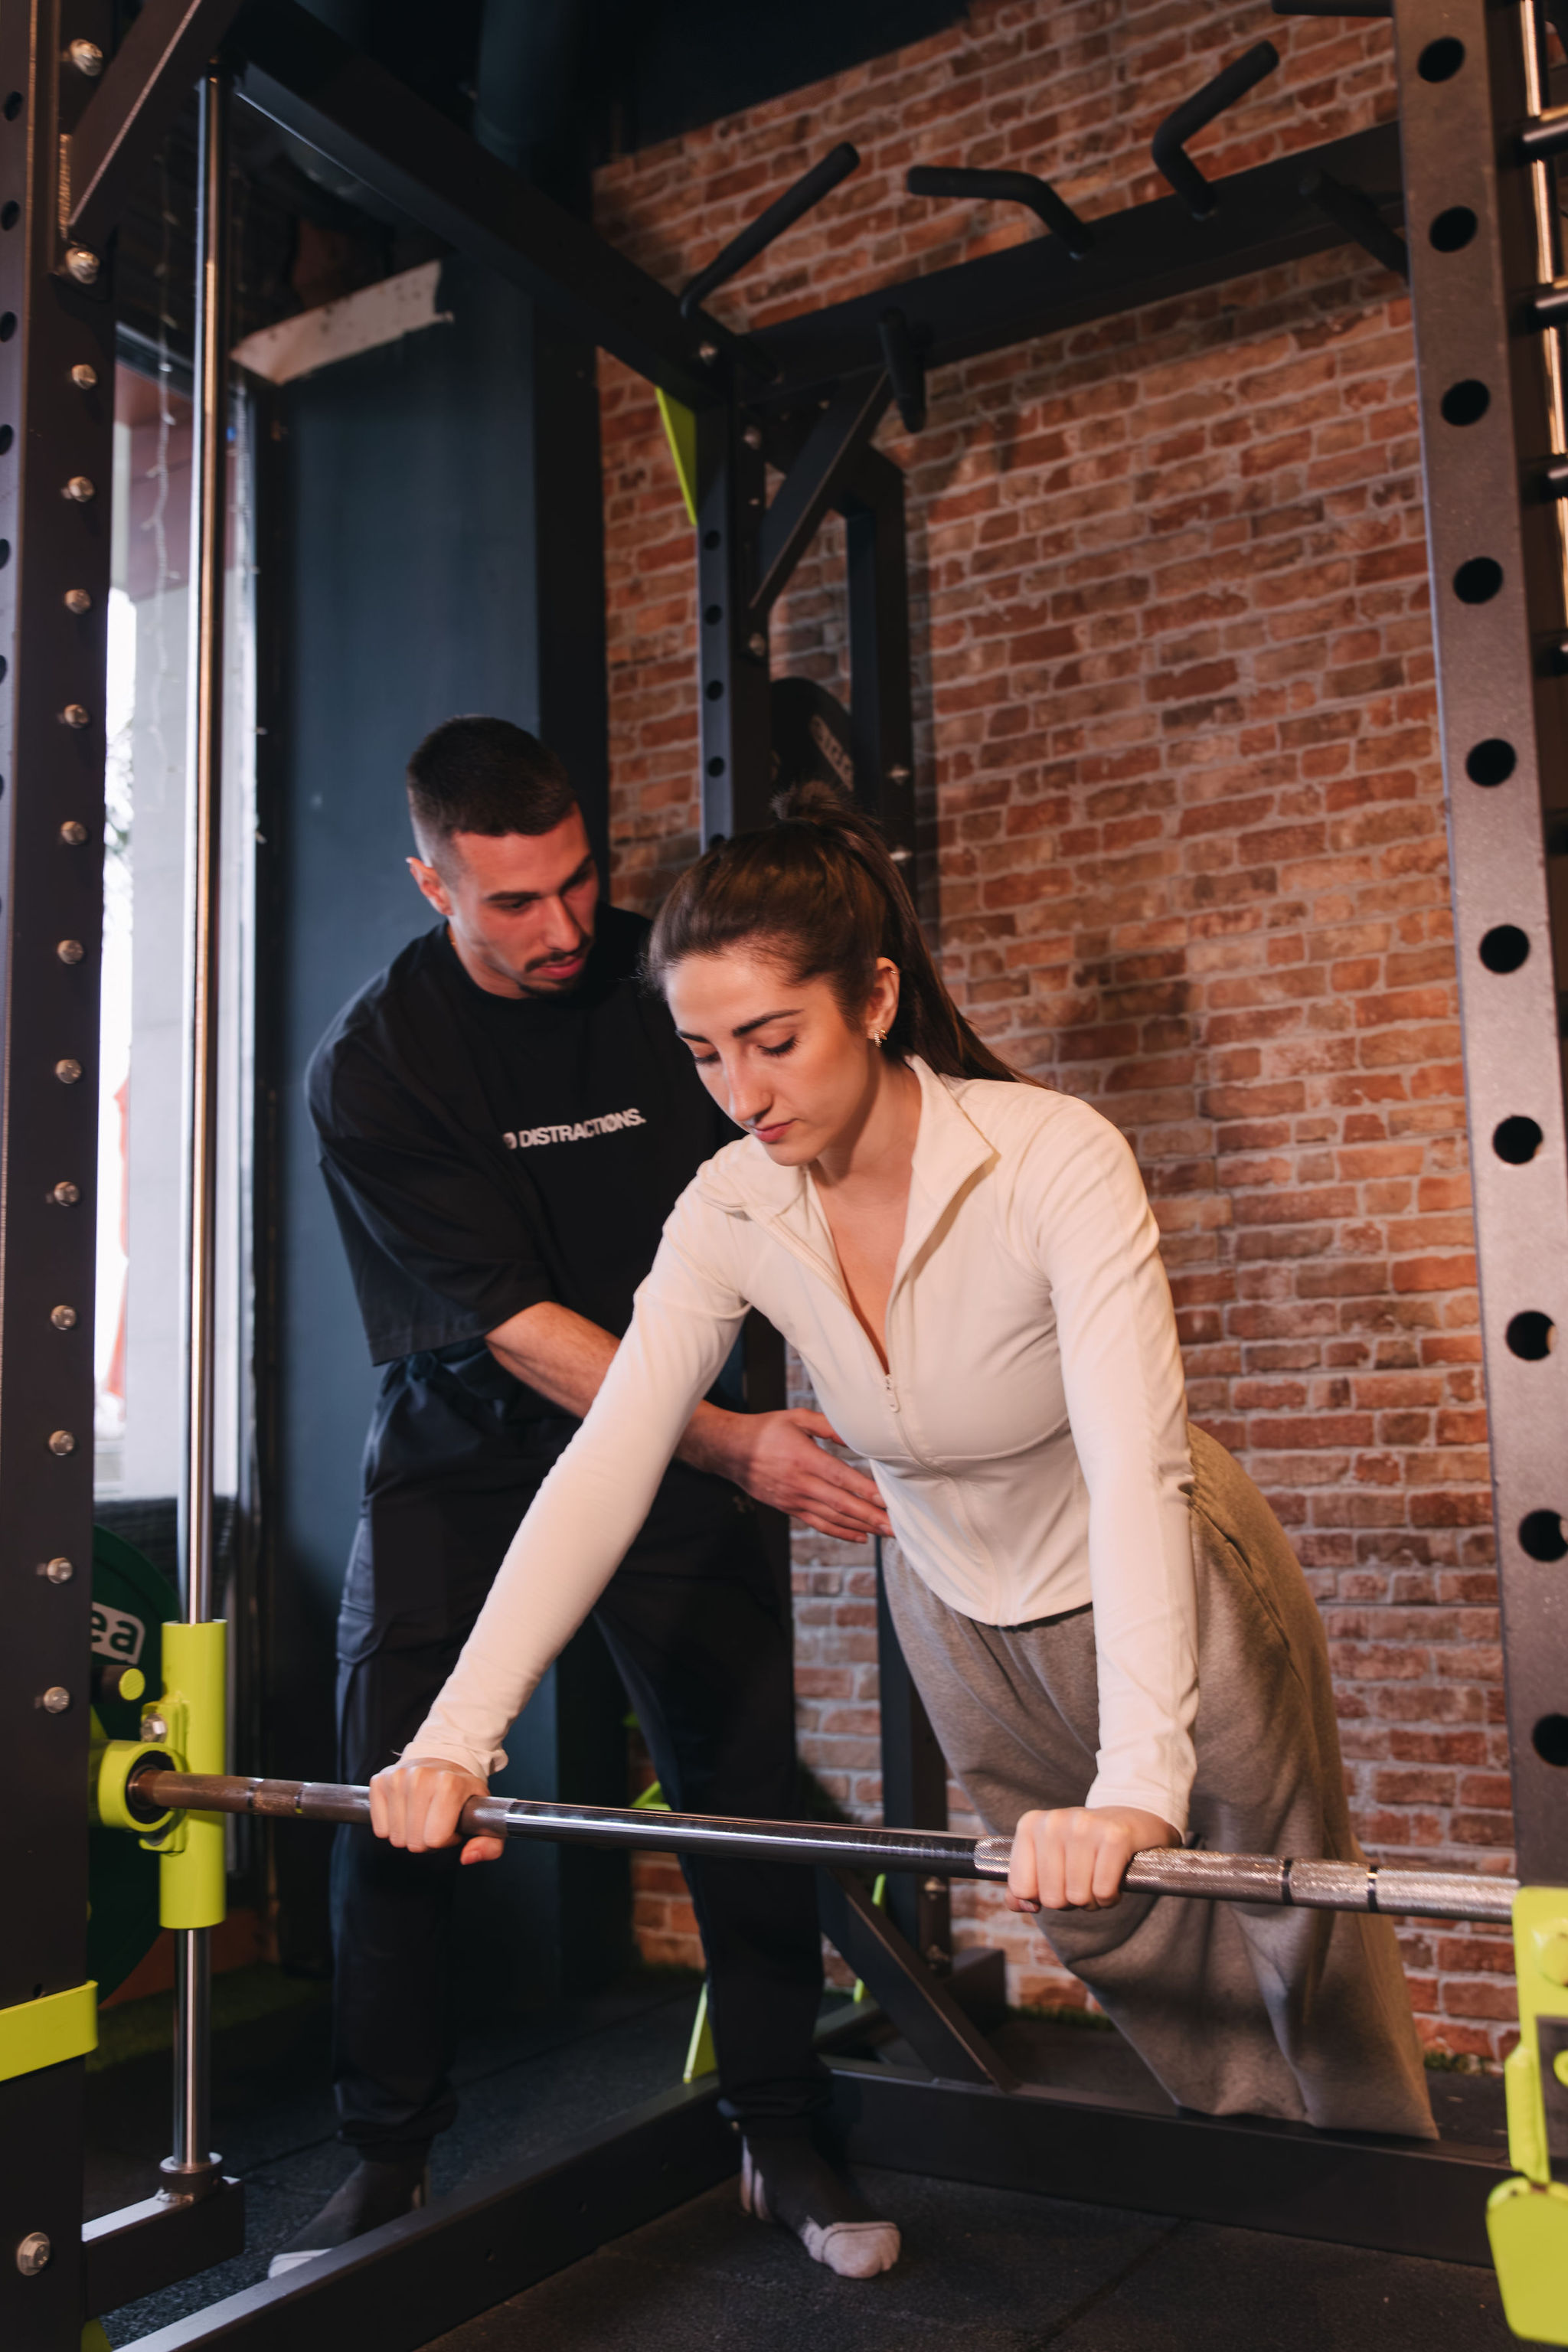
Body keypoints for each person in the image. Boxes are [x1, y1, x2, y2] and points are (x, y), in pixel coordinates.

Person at [373, 780, 1436, 2174]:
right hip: (950, 1595)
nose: (741, 1096)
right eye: (701, 1055)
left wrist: (1138, 1775)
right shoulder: (731, 1205)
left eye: (772, 1041)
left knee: (1292, 1906)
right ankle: (1263, 2178)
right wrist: (457, 1733)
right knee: (1111, 1916)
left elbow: (1132, 1466)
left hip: (1158, 1557)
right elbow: (609, 1461)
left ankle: (1394, 2191)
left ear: (873, 999)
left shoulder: (1052, 1157)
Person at [273, 724, 900, 2281]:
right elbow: (514, 1325)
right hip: (467, 1446)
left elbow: (806, 1161)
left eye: (576, 883)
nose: (560, 930)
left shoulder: (664, 977)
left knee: (739, 1787)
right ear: (430, 883)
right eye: (509, 905)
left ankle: (777, 2133)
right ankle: (387, 2162)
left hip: (688, 1433)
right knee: (400, 1790)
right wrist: (735, 1443)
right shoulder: (374, 1066)